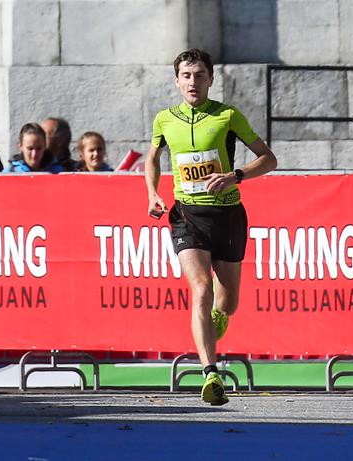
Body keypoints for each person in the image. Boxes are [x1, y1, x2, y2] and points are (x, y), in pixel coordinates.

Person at [144, 49, 277, 405]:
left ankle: (219, 316)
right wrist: (153, 194)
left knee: (227, 303)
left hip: (228, 216)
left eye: (199, 75)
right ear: (176, 81)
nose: (193, 82)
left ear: (210, 80)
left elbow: (269, 159)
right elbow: (153, 159)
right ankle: (211, 373)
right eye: (186, 76)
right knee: (200, 289)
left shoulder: (227, 115)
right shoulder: (164, 120)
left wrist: (235, 176)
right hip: (188, 215)